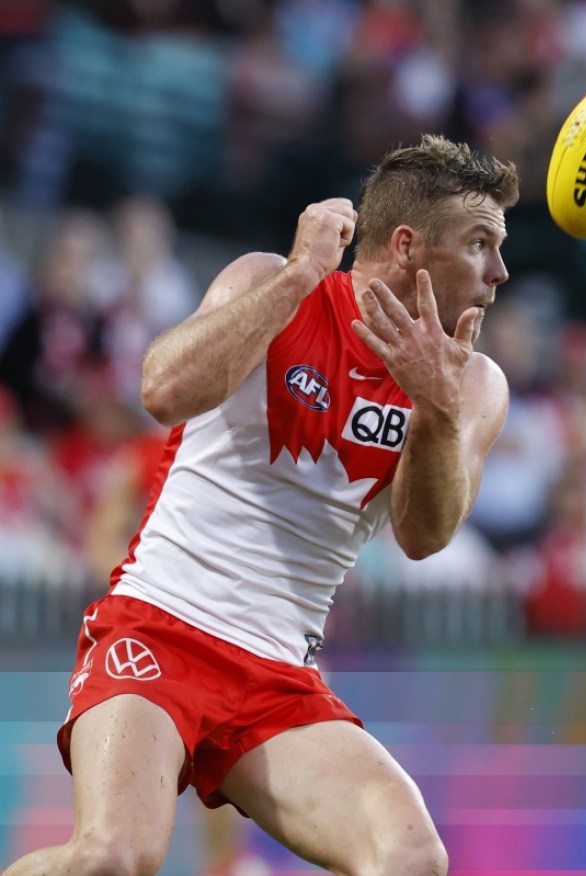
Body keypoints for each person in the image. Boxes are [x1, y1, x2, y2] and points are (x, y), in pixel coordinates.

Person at [3, 133, 518, 876]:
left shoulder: (472, 385)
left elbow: (423, 535)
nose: (500, 272)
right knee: (114, 856)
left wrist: (434, 411)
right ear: (408, 247)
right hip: (160, 629)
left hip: (278, 678)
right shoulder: (271, 280)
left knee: (411, 858)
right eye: (480, 245)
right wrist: (300, 277)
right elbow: (163, 392)